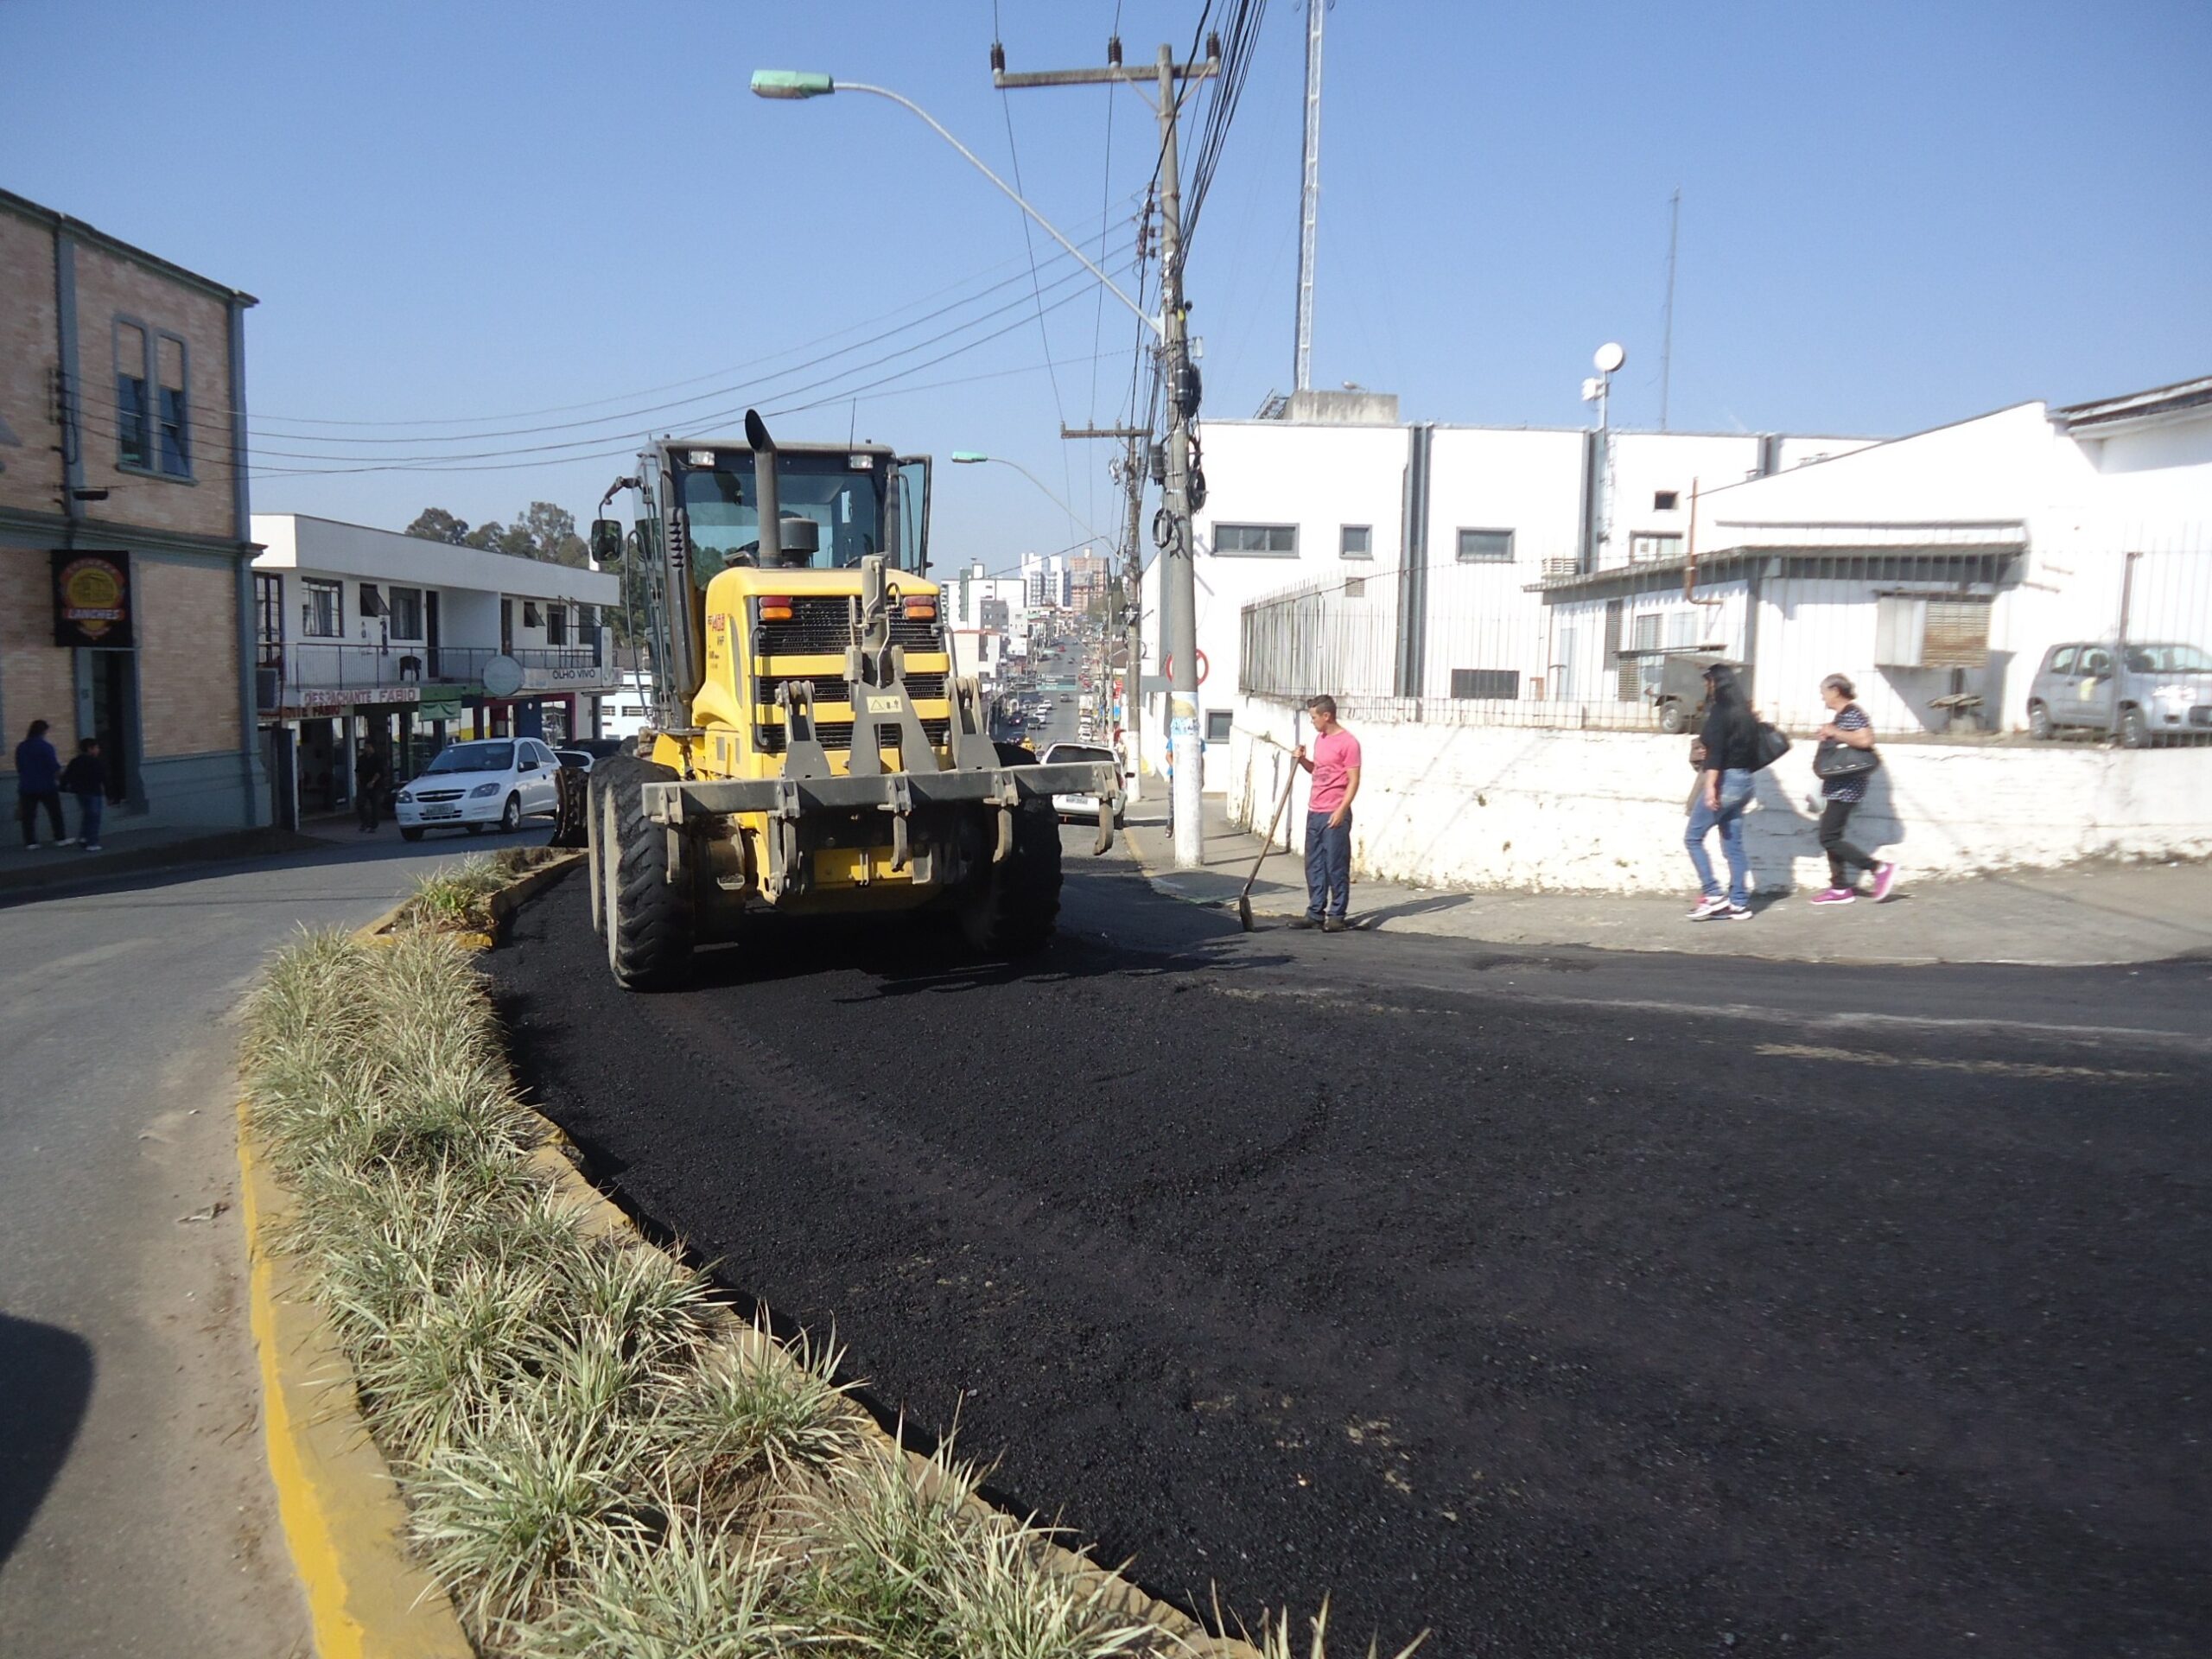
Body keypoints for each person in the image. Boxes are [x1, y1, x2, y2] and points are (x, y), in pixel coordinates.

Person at [1808, 674, 1898, 905]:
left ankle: (1879, 869)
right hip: (1838, 786)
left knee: (1828, 837)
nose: (1822, 697)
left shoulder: (1853, 713)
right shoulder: (1843, 715)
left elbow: (1866, 740)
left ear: (1836, 690)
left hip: (1846, 787)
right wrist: (1829, 734)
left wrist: (1834, 732)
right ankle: (1839, 888)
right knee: (1832, 836)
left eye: (1824, 692)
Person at [1684, 664, 1758, 920]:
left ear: (1717, 683)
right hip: (1745, 781)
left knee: (1693, 838)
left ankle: (1713, 894)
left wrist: (1710, 789)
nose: (1707, 687)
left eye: (1709, 682)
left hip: (1725, 781)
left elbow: (1715, 755)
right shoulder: (1745, 712)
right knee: (1733, 846)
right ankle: (1739, 903)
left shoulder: (1720, 712)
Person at [1288, 695, 1362, 931]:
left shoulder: (1349, 743)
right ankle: (1315, 911)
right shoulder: (1321, 740)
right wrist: (1302, 761)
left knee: (1335, 865)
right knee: (1314, 864)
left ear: (1326, 716)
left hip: (1334, 812)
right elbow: (1317, 771)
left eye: (1314, 717)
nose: (1312, 722)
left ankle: (1337, 914)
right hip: (1315, 810)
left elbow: (1353, 780)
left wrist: (1341, 810)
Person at [15, 719, 65, 849]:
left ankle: (31, 842)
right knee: (55, 813)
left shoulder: (21, 747)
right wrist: (63, 781)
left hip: (27, 785)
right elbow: (54, 767)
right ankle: (59, 838)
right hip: (47, 785)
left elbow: (20, 768)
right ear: (43, 731)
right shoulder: (46, 747)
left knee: (29, 816)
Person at [59, 737, 107, 853]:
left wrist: (63, 787)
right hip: (94, 792)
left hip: (80, 792)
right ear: (90, 749)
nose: (98, 750)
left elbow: (67, 776)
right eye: (96, 748)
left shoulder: (75, 761)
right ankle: (92, 842)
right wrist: (110, 794)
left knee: (87, 814)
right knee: (94, 817)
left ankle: (84, 837)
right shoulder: (96, 762)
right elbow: (104, 778)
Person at [354, 740, 386, 833]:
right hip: (363, 784)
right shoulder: (361, 758)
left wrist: (372, 782)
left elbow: (379, 772)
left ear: (373, 748)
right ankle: (365, 822)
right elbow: (357, 770)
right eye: (365, 747)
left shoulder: (378, 758)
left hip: (376, 785)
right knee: (360, 804)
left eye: (368, 747)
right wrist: (357, 781)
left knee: (375, 805)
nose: (366, 749)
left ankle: (373, 825)